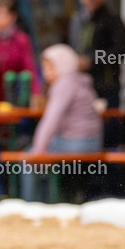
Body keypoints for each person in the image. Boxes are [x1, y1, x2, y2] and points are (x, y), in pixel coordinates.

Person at [21, 45, 102, 203]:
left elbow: (52, 119)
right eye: (44, 68)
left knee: (27, 158)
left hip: (76, 143)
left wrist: (39, 149)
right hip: (93, 142)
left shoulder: (64, 84)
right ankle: (45, 199)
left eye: (51, 68)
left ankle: (29, 203)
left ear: (63, 66)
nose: (46, 73)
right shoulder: (80, 80)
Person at [76, 0, 125, 109]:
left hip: (106, 86)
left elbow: (120, 51)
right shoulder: (78, 20)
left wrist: (91, 61)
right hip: (83, 84)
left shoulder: (112, 20)